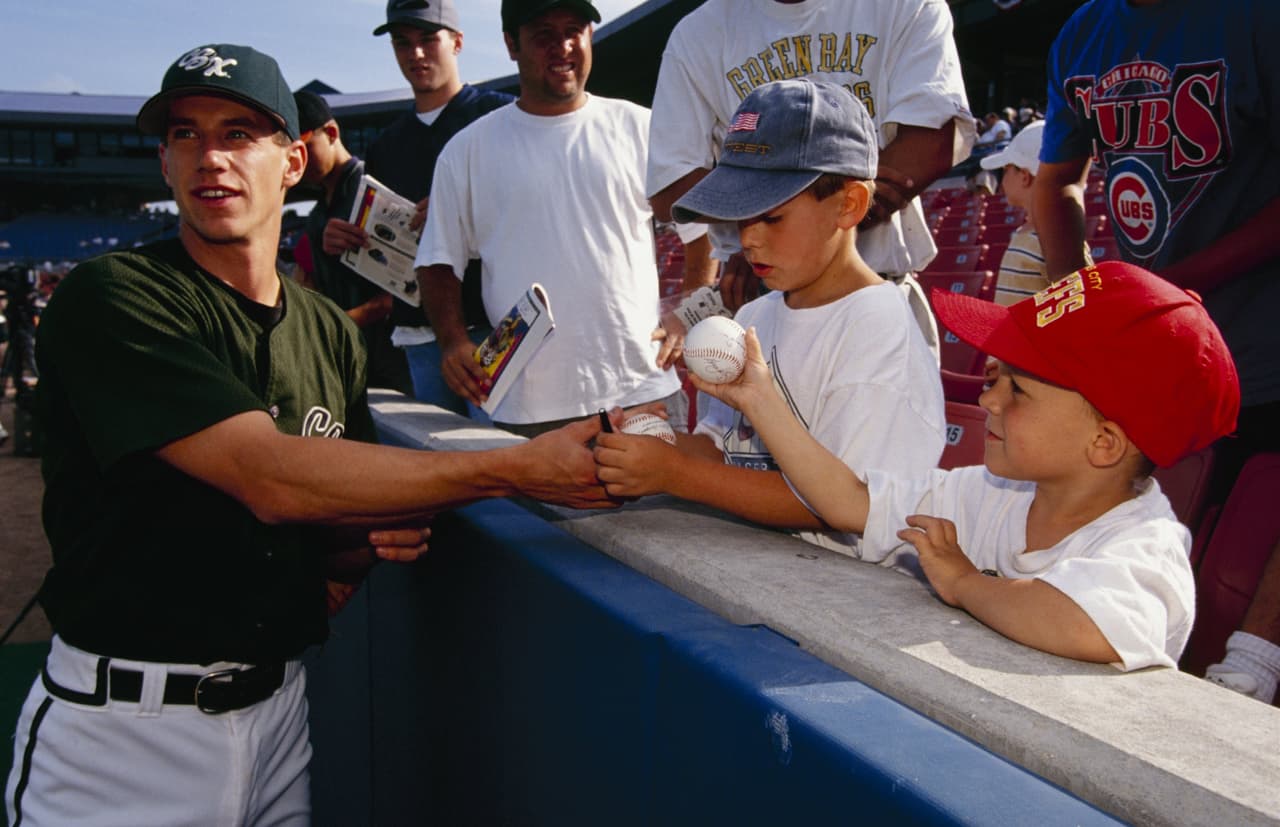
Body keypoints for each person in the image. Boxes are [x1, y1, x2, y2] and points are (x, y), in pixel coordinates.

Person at [4, 43, 613, 826]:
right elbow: (274, 479)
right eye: (186, 134)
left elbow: (335, 529)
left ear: (293, 161)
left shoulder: (327, 329)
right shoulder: (113, 296)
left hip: (280, 718)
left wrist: (364, 540)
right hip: (125, 729)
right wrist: (512, 468)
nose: (210, 157)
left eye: (238, 133)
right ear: (163, 161)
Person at [685, 260, 1240, 670]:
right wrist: (761, 400)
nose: (988, 400)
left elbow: (1082, 620)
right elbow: (849, 501)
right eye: (994, 378)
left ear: (1104, 443)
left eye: (1017, 390)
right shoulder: (993, 492)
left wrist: (966, 583)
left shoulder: (1148, 546)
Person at [1032, 0, 1280, 695]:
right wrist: (1074, 295)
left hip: (1260, 332)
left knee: (1254, 521)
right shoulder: (1082, 32)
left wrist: (1171, 286)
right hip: (1160, 349)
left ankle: (1255, 669)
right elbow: (1056, 182)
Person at [595, 79, 945, 559]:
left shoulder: (877, 327)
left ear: (849, 205)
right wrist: (657, 448)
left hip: (852, 600)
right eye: (740, 218)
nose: (749, 240)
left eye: (772, 217)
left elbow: (841, 507)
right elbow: (725, 454)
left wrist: (677, 475)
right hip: (765, 572)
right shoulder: (758, 311)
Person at [644, 0, 976, 364]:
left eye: (771, 220)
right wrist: (782, 232)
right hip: (756, 307)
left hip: (875, 299)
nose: (759, 230)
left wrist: (774, 233)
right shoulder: (700, 32)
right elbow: (670, 188)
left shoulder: (905, 5)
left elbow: (930, 142)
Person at [416, 0, 681, 438]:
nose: (563, 47)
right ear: (510, 45)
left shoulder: (640, 127)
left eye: (574, 30)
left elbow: (700, 221)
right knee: (541, 512)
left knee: (661, 510)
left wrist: (688, 305)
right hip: (531, 405)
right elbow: (437, 261)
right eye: (543, 35)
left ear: (590, 36)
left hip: (641, 388)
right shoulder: (467, 151)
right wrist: (452, 341)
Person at [325, 0, 513, 415]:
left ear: (458, 42)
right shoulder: (386, 145)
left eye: (429, 39)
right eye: (403, 43)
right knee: (446, 460)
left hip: (492, 324)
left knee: (501, 458)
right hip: (418, 330)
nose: (417, 54)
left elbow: (538, 207)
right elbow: (381, 250)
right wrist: (346, 242)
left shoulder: (501, 114)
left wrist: (464, 209)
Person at [294, 90, 413, 394]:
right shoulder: (318, 213)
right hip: (349, 361)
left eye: (305, 148)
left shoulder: (375, 190)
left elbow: (411, 283)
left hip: (395, 360)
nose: (298, 162)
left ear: (331, 133)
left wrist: (338, 324)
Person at [977, 121, 1054, 305]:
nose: (1002, 180)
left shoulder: (1053, 240)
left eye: (1006, 170)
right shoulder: (1030, 234)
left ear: (1024, 176)